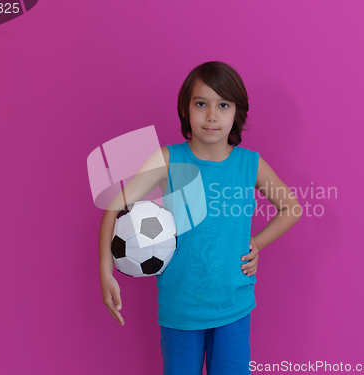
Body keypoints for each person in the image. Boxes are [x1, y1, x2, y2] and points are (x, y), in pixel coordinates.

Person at [98, 61, 302, 375]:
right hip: (180, 311)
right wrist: (105, 270)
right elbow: (115, 206)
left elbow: (292, 208)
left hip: (233, 307)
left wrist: (257, 243)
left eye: (223, 105)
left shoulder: (250, 164)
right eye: (201, 103)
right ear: (186, 109)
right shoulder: (168, 159)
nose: (211, 115)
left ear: (237, 112)